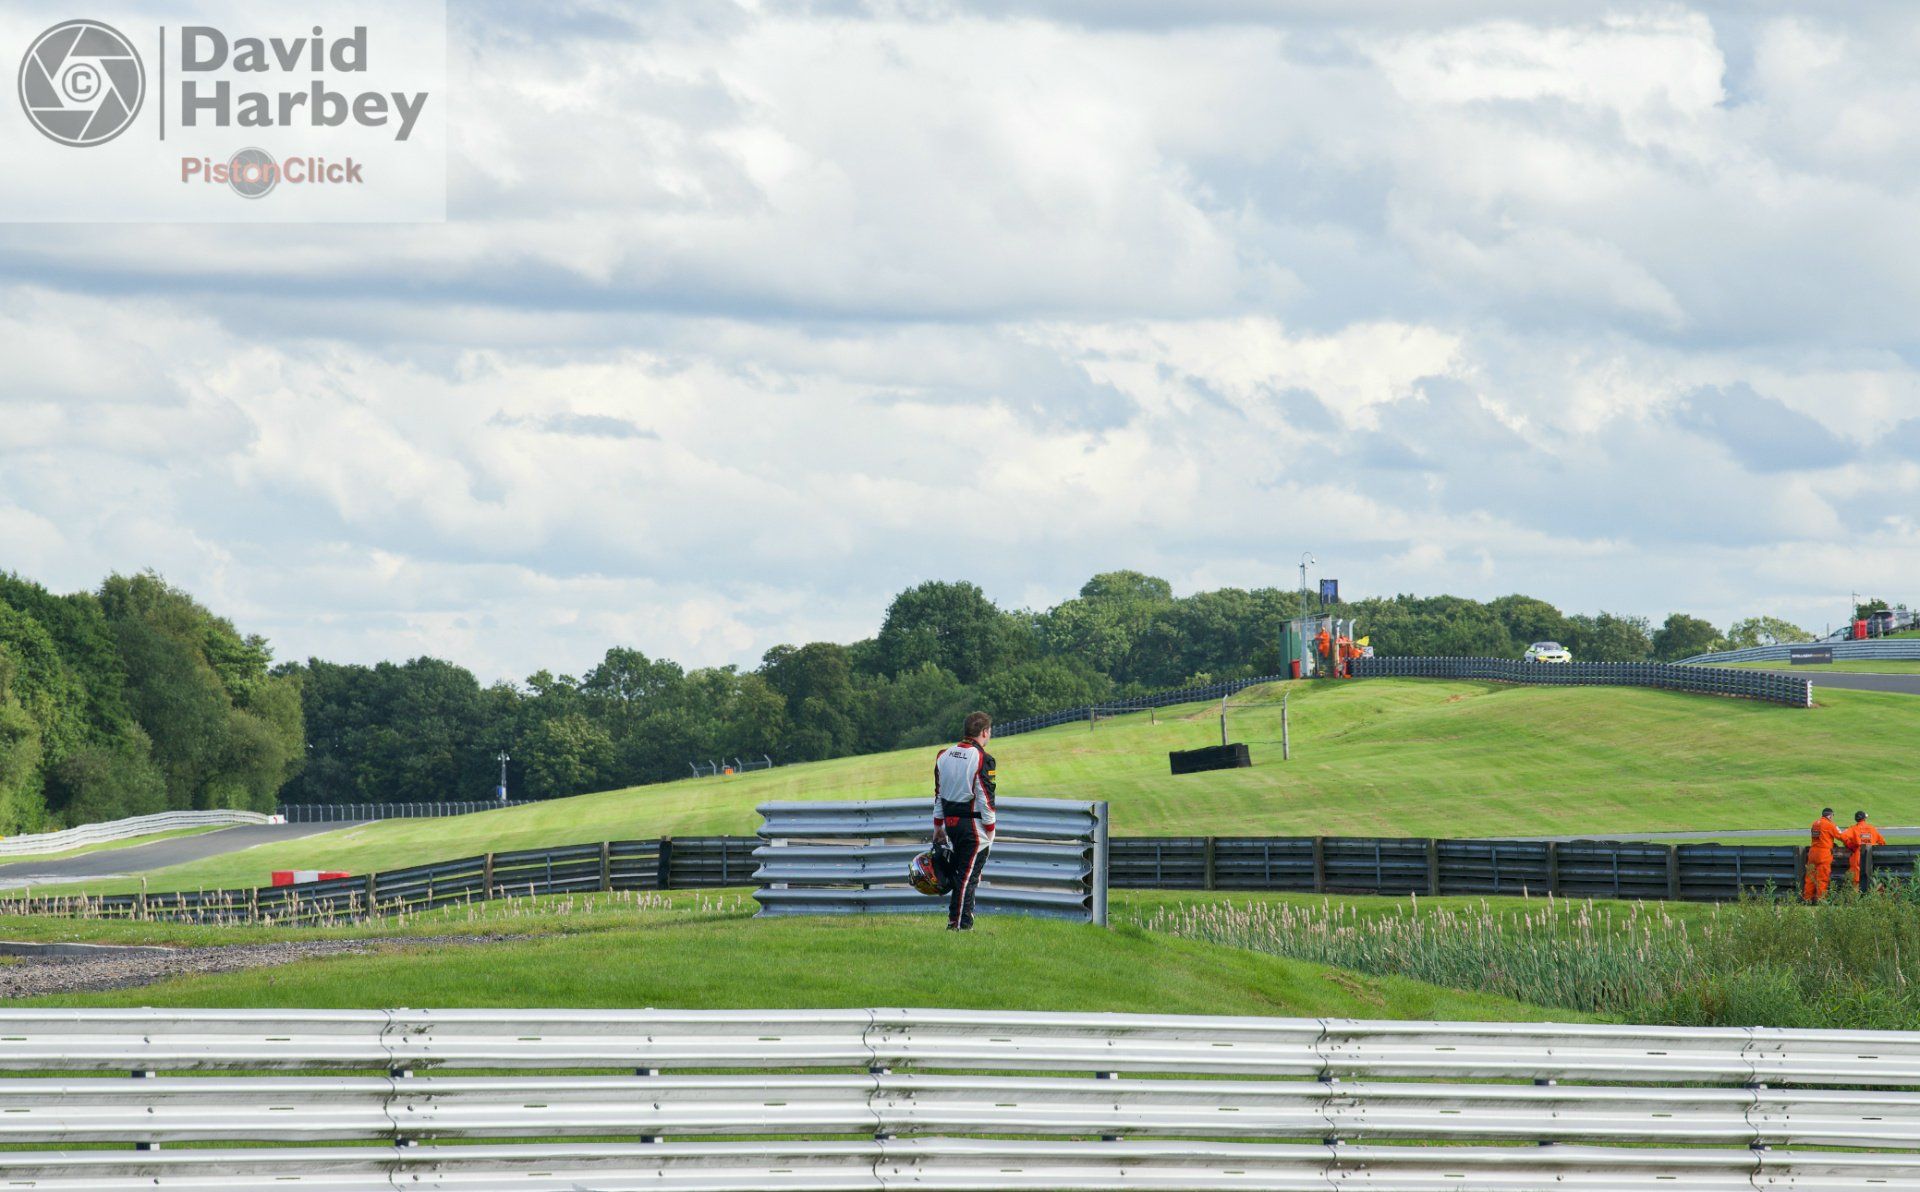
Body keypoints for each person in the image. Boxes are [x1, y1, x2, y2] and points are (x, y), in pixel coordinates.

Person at [933, 710, 996, 931]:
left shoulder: (943, 755)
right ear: (984, 732)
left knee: (966, 875)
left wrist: (938, 827)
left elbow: (939, 795)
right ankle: (958, 925)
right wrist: (990, 830)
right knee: (967, 877)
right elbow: (986, 798)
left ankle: (964, 921)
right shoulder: (983, 759)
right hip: (972, 825)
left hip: (951, 825)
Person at [1841, 810, 1887, 890]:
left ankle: (1857, 899)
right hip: (1871, 855)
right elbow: (1882, 842)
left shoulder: (1853, 828)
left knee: (1856, 880)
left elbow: (1843, 836)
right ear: (1865, 819)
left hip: (1858, 855)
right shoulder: (1872, 828)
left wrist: (1851, 845)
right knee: (1872, 878)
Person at [1805, 807, 1842, 902]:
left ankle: (1807, 899)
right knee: (1822, 878)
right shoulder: (1829, 824)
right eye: (1833, 816)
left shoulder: (1815, 823)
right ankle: (1821, 900)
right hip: (1823, 854)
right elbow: (1841, 836)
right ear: (1830, 816)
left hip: (1812, 853)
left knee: (1810, 878)